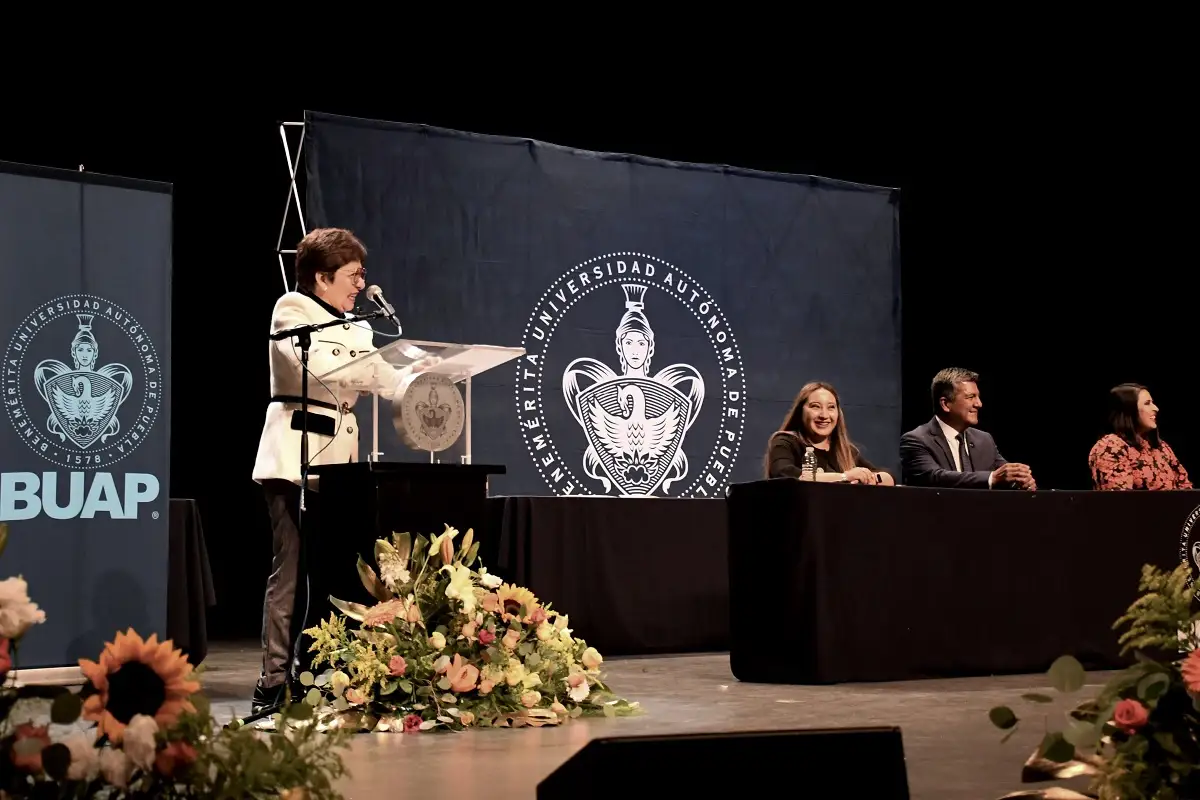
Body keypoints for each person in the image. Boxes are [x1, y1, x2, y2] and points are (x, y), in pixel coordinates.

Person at [249, 228, 436, 712]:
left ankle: (326, 673)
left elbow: (384, 377)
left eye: (362, 274)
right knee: (290, 572)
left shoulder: (359, 328)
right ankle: (272, 681)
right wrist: (375, 370)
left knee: (337, 570)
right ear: (322, 277)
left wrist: (423, 374)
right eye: (353, 276)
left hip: (340, 464)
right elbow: (323, 370)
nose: (360, 285)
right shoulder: (292, 309)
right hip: (294, 454)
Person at [900, 367, 1035, 490]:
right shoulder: (917, 440)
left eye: (978, 397)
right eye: (971, 397)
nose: (979, 404)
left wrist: (1020, 479)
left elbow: (1004, 475)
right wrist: (991, 478)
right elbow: (934, 477)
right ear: (946, 404)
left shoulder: (984, 440)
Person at [765, 381, 895, 485]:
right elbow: (784, 473)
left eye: (831, 407)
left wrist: (870, 478)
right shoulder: (785, 442)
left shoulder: (844, 450)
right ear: (801, 411)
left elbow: (887, 476)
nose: (824, 415)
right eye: (815, 406)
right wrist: (844, 477)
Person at [1087, 383, 1192, 490]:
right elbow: (1119, 501)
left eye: (1153, 402)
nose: (1156, 408)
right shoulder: (1110, 447)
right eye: (1147, 403)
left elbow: (1185, 490)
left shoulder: (1161, 447)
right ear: (1129, 410)